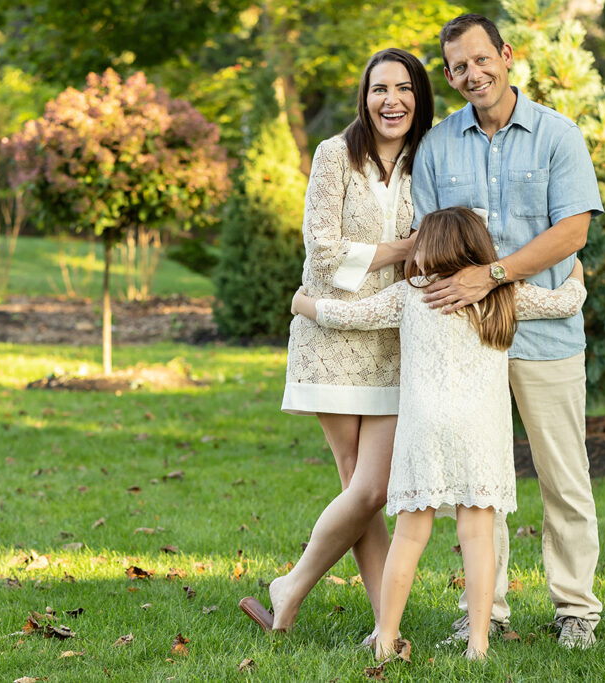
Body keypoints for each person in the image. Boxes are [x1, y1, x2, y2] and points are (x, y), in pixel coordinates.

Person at [291, 207, 588, 660]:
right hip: (481, 431)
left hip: (422, 428)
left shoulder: (412, 294)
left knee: (411, 535)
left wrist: (302, 304)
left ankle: (386, 637)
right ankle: (479, 643)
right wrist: (576, 273)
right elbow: (566, 302)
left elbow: (349, 315)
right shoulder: (503, 295)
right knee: (477, 533)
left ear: (429, 248)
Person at [409, 14, 605, 649]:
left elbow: (572, 233)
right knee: (480, 484)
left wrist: (491, 273)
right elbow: (427, 243)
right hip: (471, 346)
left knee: (563, 477)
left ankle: (576, 608)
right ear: (448, 75)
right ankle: (483, 613)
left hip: (547, 338)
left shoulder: (557, 135)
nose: (472, 74)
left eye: (480, 59)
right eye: (458, 67)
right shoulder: (437, 147)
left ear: (506, 55)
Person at [238, 48, 434, 644]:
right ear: (364, 96)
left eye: (404, 89)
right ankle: (385, 630)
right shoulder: (334, 156)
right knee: (360, 486)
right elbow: (322, 252)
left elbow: (441, 245)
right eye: (380, 89)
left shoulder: (429, 160)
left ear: (420, 98)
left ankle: (290, 586)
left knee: (371, 489)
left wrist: (412, 255)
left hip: (395, 340)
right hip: (331, 337)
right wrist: (403, 250)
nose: (391, 100)